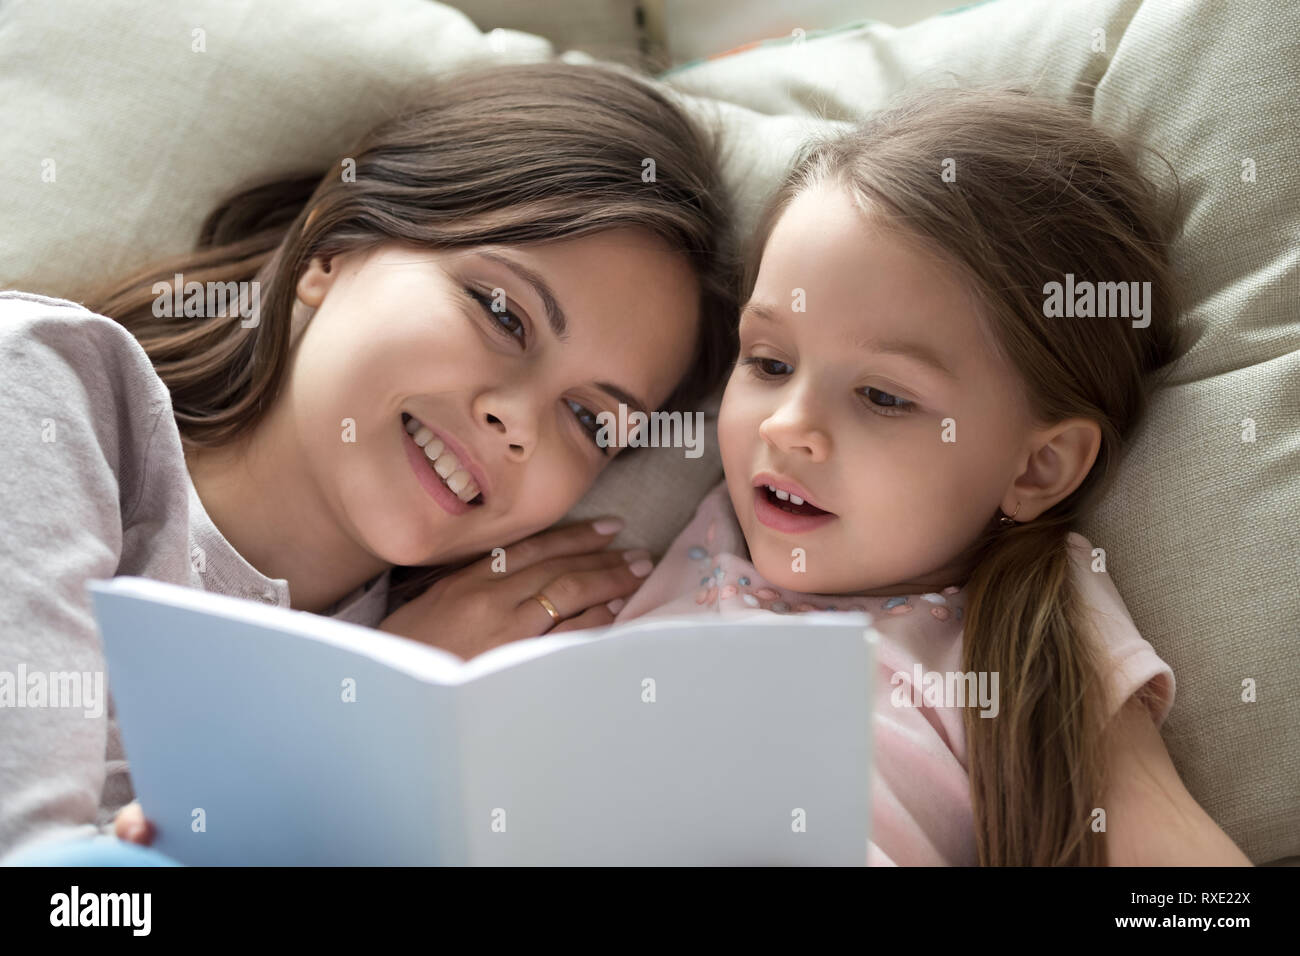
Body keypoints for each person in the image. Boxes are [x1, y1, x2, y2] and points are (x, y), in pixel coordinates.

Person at [0, 61, 740, 864]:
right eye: (502, 312)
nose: (518, 420)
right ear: (331, 250)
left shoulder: (469, 677)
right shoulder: (52, 385)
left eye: (590, 417)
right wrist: (376, 716)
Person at [605, 87, 1252, 866]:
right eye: (769, 363)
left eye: (882, 396)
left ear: (1037, 467)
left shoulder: (1032, 619)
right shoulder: (691, 527)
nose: (784, 426)